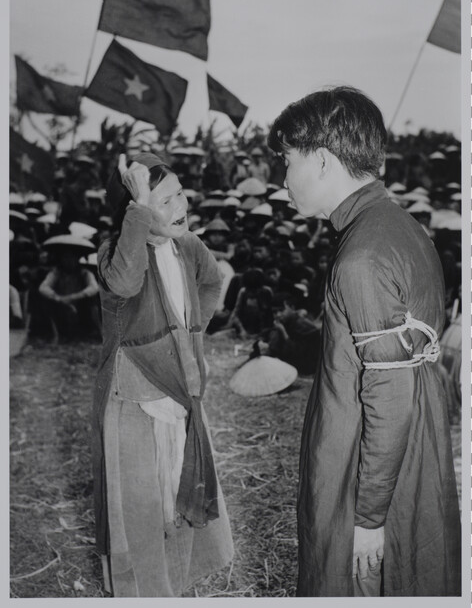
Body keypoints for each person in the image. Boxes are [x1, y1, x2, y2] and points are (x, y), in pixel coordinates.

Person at [267, 86, 461, 597]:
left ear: (325, 161)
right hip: (409, 443)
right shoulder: (399, 226)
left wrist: (369, 515)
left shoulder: (363, 257)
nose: (283, 178)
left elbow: (389, 395)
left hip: (366, 458)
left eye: (287, 161)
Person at [92, 152, 233, 597]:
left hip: (182, 388)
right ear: (135, 209)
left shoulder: (188, 246)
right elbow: (126, 284)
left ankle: (176, 581)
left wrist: (190, 330)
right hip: (136, 396)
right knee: (140, 506)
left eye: (181, 194)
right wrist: (137, 209)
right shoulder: (115, 253)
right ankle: (147, 591)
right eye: (166, 200)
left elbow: (212, 281)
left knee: (180, 488)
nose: (182, 206)